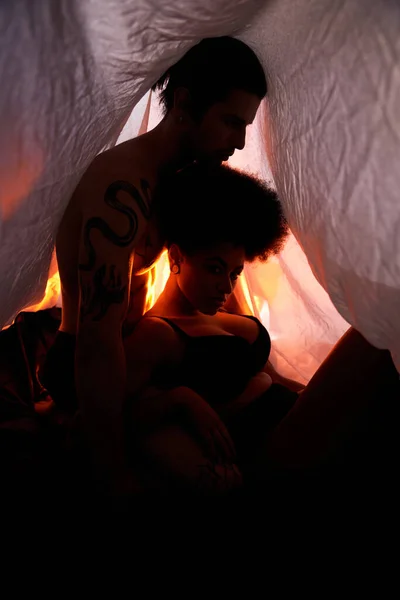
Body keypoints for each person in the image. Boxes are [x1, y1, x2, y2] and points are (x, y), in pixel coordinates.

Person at [40, 37, 267, 496]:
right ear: (184, 102)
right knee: (221, 483)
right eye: (230, 122)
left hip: (135, 359)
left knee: (256, 364)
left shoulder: (181, 178)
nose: (240, 143)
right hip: (88, 367)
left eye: (245, 126)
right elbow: (97, 342)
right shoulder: (121, 184)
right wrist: (113, 474)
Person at [124, 164, 400, 496]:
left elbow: (266, 373)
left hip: (295, 413)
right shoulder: (157, 333)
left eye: (235, 272)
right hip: (270, 448)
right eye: (214, 269)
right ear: (178, 257)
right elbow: (108, 417)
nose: (225, 285)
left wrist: (315, 393)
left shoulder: (219, 303)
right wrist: (179, 401)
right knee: (383, 323)